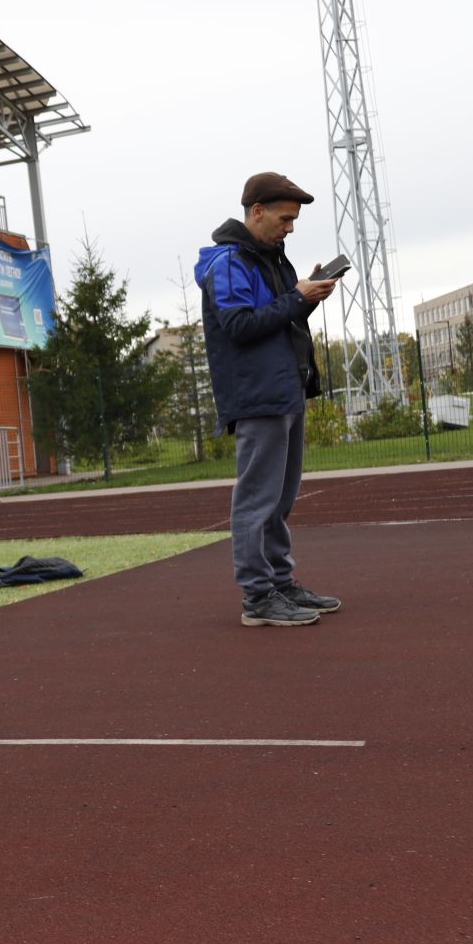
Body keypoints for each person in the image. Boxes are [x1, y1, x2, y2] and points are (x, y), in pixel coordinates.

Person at [194, 171, 342, 628]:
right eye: (285, 218)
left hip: (286, 389)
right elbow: (240, 326)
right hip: (257, 395)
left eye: (294, 220)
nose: (290, 227)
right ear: (256, 211)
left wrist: (307, 294)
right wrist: (297, 299)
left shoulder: (272, 258)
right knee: (257, 499)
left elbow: (277, 318)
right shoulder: (229, 264)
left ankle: (279, 582)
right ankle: (258, 597)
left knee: (281, 497)